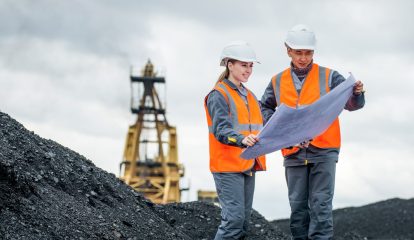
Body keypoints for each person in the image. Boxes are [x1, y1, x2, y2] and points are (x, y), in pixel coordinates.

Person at [261, 24, 365, 239]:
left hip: (324, 150)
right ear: (287, 50)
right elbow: (264, 107)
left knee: (321, 206)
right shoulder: (277, 81)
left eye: (308, 53)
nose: (303, 57)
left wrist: (356, 93)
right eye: (298, 52)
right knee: (298, 209)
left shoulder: (329, 77)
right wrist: (281, 130)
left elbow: (351, 104)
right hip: (293, 152)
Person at [204, 41, 267, 240]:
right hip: (227, 166)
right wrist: (242, 140)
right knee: (233, 222)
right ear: (229, 65)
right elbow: (221, 130)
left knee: (243, 223)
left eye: (251, 66)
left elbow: (265, 128)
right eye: (244, 65)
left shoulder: (250, 96)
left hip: (247, 164)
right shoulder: (218, 94)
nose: (248, 70)